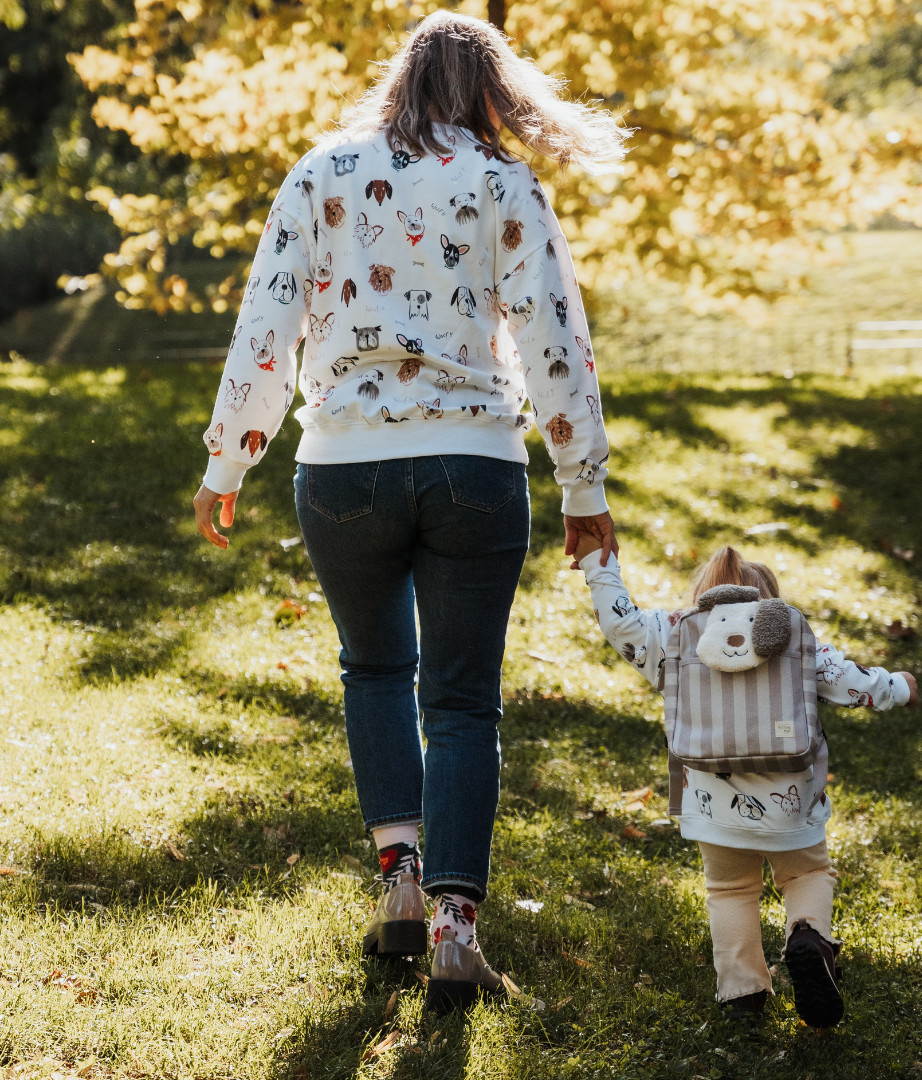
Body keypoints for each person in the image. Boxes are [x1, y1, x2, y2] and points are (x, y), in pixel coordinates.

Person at [192, 11, 627, 1011]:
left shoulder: (319, 173)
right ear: (489, 90)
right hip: (475, 466)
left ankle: (398, 875)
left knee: (375, 668)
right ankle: (454, 933)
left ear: (400, 78)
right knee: (464, 703)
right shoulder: (506, 183)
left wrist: (230, 463)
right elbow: (556, 336)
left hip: (344, 468)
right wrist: (583, 488)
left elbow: (269, 323)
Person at [571, 541, 918, 1027]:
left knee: (731, 891)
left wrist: (597, 563)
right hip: (791, 799)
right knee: (806, 876)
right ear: (768, 600)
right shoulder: (794, 637)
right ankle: (808, 936)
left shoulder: (674, 634)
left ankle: (743, 997)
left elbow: (620, 622)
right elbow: (852, 682)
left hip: (712, 804)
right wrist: (900, 686)